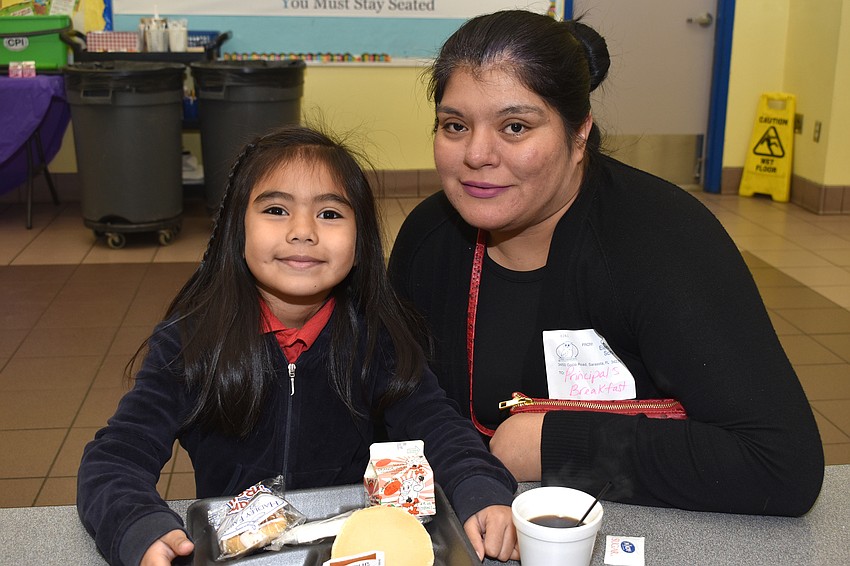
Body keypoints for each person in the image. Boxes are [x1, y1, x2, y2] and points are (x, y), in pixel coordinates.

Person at [388, 10, 824, 517]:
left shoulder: (661, 240)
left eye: (514, 126)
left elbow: (781, 465)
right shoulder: (429, 239)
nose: (477, 154)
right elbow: (399, 405)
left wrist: (554, 445)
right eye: (455, 125)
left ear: (578, 135)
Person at [77, 125, 518, 566]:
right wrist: (139, 526)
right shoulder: (191, 343)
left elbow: (441, 428)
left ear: (360, 242)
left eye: (329, 214)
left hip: (348, 550)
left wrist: (479, 490)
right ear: (237, 230)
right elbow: (114, 461)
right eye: (275, 209)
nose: (303, 231)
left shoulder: (378, 340)